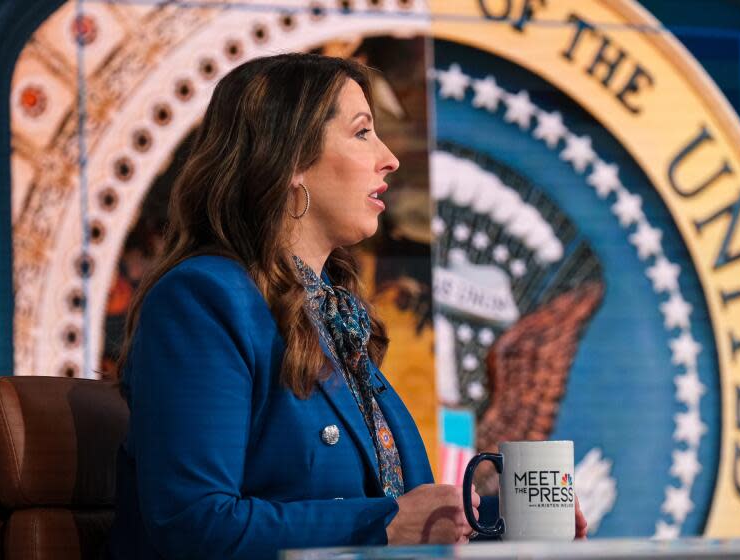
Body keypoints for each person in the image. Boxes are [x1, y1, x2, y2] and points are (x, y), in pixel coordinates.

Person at [105, 53, 587, 560]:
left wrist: (503, 523)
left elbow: (396, 511)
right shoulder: (203, 299)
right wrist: (385, 525)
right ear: (290, 160)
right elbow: (193, 524)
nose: (389, 158)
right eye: (362, 133)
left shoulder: (333, 315)